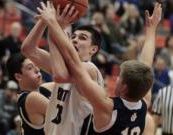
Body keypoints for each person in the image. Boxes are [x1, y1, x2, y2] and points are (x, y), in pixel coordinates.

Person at [37, 1, 162, 135]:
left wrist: (53, 23)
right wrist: (151, 31)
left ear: (124, 87)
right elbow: (145, 65)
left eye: (120, 78)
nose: (117, 80)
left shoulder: (107, 107)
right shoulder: (143, 104)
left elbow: (73, 61)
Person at [21, 2, 104, 135]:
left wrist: (54, 25)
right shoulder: (63, 66)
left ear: (93, 49)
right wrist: (44, 20)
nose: (75, 40)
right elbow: (28, 49)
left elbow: (60, 75)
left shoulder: (90, 69)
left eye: (82, 38)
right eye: (73, 37)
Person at [6, 53, 52, 135]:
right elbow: (65, 114)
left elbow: (67, 80)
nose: (37, 70)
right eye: (30, 68)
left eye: (36, 65)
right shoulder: (31, 98)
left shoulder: (42, 89)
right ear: (18, 77)